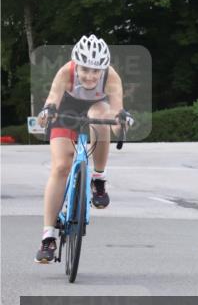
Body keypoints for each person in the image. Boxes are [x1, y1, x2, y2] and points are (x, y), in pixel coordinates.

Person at [34, 35, 128, 264]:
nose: (90, 75)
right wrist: (47, 114)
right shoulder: (65, 72)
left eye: (96, 71)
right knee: (61, 166)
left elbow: (116, 114)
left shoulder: (111, 77)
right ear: (76, 64)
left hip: (97, 108)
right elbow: (52, 100)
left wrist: (121, 124)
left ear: (103, 69)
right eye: (85, 69)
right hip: (66, 111)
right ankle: (48, 237)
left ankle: (98, 177)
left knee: (100, 116)